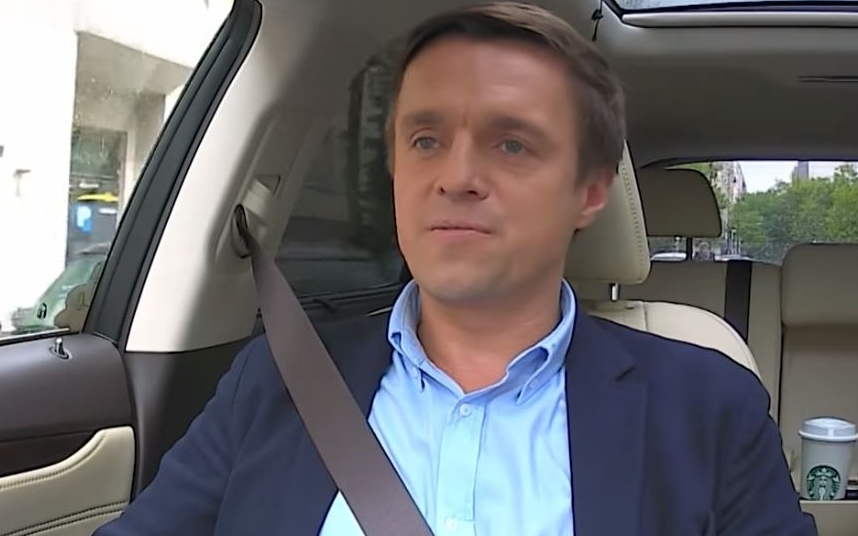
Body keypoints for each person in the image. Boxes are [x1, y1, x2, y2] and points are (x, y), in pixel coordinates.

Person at [94, 2, 817, 535]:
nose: (456, 176)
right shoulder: (277, 381)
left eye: (511, 144)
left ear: (590, 191)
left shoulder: (710, 409)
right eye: (426, 139)